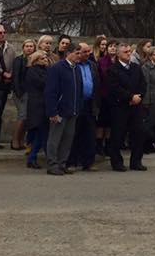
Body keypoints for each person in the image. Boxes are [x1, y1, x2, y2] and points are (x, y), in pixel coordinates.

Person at [106, 43, 147, 171]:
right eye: (125, 52)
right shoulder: (113, 69)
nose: (128, 54)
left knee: (138, 133)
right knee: (118, 135)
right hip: (120, 106)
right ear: (118, 54)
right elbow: (114, 88)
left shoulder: (136, 67)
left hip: (136, 107)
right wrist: (130, 97)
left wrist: (139, 96)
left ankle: (136, 162)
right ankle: (117, 162)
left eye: (129, 51)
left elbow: (143, 83)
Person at [44, 43, 83, 175]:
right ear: (68, 53)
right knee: (55, 139)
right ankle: (52, 164)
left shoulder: (77, 69)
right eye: (76, 53)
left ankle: (62, 163)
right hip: (60, 110)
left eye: (80, 53)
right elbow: (51, 91)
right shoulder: (57, 68)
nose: (79, 56)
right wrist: (52, 111)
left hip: (73, 110)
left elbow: (79, 90)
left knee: (67, 139)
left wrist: (78, 107)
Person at [69, 42, 101, 170]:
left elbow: (97, 84)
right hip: (76, 103)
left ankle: (88, 162)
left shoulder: (92, 65)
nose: (88, 54)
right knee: (74, 133)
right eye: (84, 52)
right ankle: (72, 162)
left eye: (89, 51)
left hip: (90, 104)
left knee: (89, 134)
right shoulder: (73, 65)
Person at [24, 50, 49, 168]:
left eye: (46, 58)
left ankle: (33, 157)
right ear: (36, 60)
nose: (46, 60)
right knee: (40, 133)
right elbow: (43, 83)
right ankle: (33, 157)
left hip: (43, 104)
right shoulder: (32, 71)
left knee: (42, 133)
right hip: (37, 105)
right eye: (43, 58)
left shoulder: (46, 70)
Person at [10, 39, 36, 150]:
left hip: (31, 93)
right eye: (27, 46)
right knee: (23, 115)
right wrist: (18, 92)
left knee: (27, 117)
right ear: (23, 48)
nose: (29, 48)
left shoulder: (36, 61)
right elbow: (15, 77)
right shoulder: (18, 60)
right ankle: (15, 140)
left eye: (31, 46)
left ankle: (21, 140)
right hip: (20, 92)